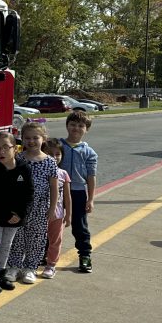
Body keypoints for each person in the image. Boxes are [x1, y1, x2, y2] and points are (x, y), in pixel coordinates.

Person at [5, 122, 59, 286]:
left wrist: (52, 208)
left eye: (35, 137)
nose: (31, 141)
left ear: (44, 139)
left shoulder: (50, 161)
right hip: (19, 208)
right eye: (27, 138)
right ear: (22, 139)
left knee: (36, 239)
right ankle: (14, 266)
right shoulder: (18, 159)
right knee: (16, 238)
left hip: (40, 208)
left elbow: (54, 187)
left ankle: (30, 268)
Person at [0, 132, 33, 294]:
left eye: (5, 147)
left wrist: (20, 214)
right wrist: (8, 215)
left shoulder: (24, 168)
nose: (1, 152)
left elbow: (28, 194)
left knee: (6, 245)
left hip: (17, 217)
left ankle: (0, 273)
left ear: (14, 148)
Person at [60, 111, 97, 273]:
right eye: (73, 124)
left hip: (78, 193)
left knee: (80, 226)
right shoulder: (57, 146)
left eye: (81, 126)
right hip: (58, 191)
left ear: (86, 129)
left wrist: (90, 199)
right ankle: (45, 252)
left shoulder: (89, 152)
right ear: (67, 125)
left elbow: (91, 177)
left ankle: (85, 255)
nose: (76, 128)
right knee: (52, 224)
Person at [42, 139, 72, 279]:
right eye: (50, 154)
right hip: (39, 214)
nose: (54, 157)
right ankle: (31, 263)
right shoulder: (39, 170)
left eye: (57, 154)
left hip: (57, 215)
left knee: (55, 241)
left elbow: (67, 197)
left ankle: (51, 265)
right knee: (37, 240)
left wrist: (68, 215)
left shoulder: (63, 174)